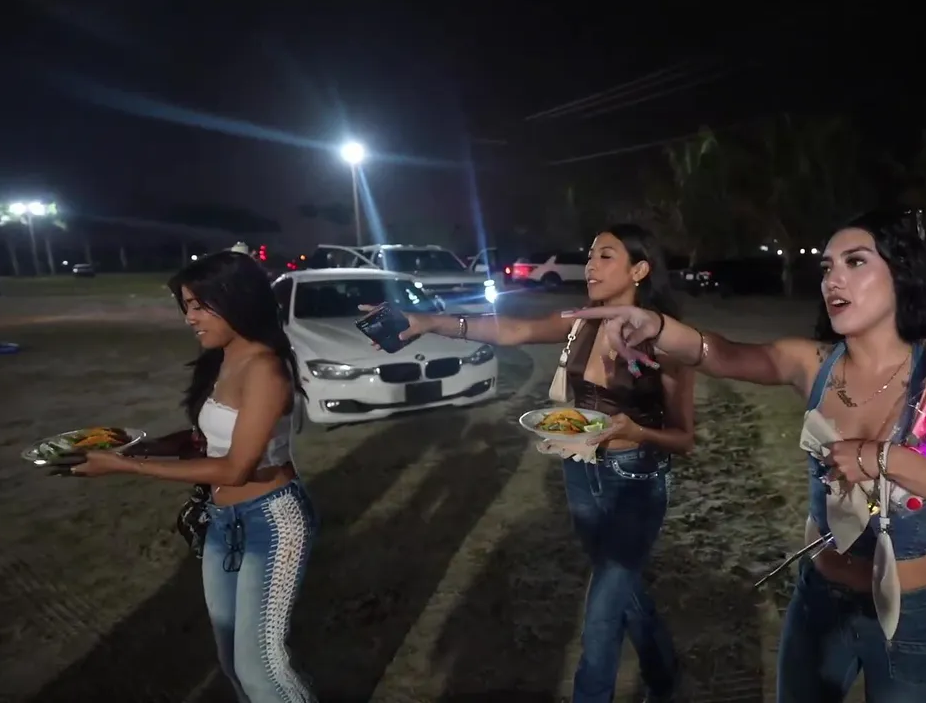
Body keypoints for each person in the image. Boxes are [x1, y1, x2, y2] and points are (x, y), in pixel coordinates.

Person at [568, 210, 926, 703]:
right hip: (819, 602)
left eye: (855, 262)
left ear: (902, 274)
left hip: (916, 619)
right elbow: (716, 352)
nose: (833, 280)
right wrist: (654, 324)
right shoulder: (813, 363)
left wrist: (889, 460)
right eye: (827, 267)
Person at [369, 224, 692, 703]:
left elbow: (684, 438)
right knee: (620, 592)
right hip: (580, 471)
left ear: (639, 270)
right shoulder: (581, 321)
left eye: (605, 256)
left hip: (636, 479)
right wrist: (429, 322)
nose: (590, 265)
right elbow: (514, 329)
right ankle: (665, 675)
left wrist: (637, 431)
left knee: (600, 615)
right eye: (590, 255)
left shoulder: (666, 341)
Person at [70, 251, 317, 703]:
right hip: (222, 522)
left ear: (236, 300)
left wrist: (125, 467)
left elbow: (236, 468)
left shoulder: (265, 368)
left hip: (271, 522)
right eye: (186, 306)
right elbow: (209, 439)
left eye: (200, 306)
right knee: (231, 661)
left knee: (261, 668)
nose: (190, 318)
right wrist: (140, 447)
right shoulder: (222, 359)